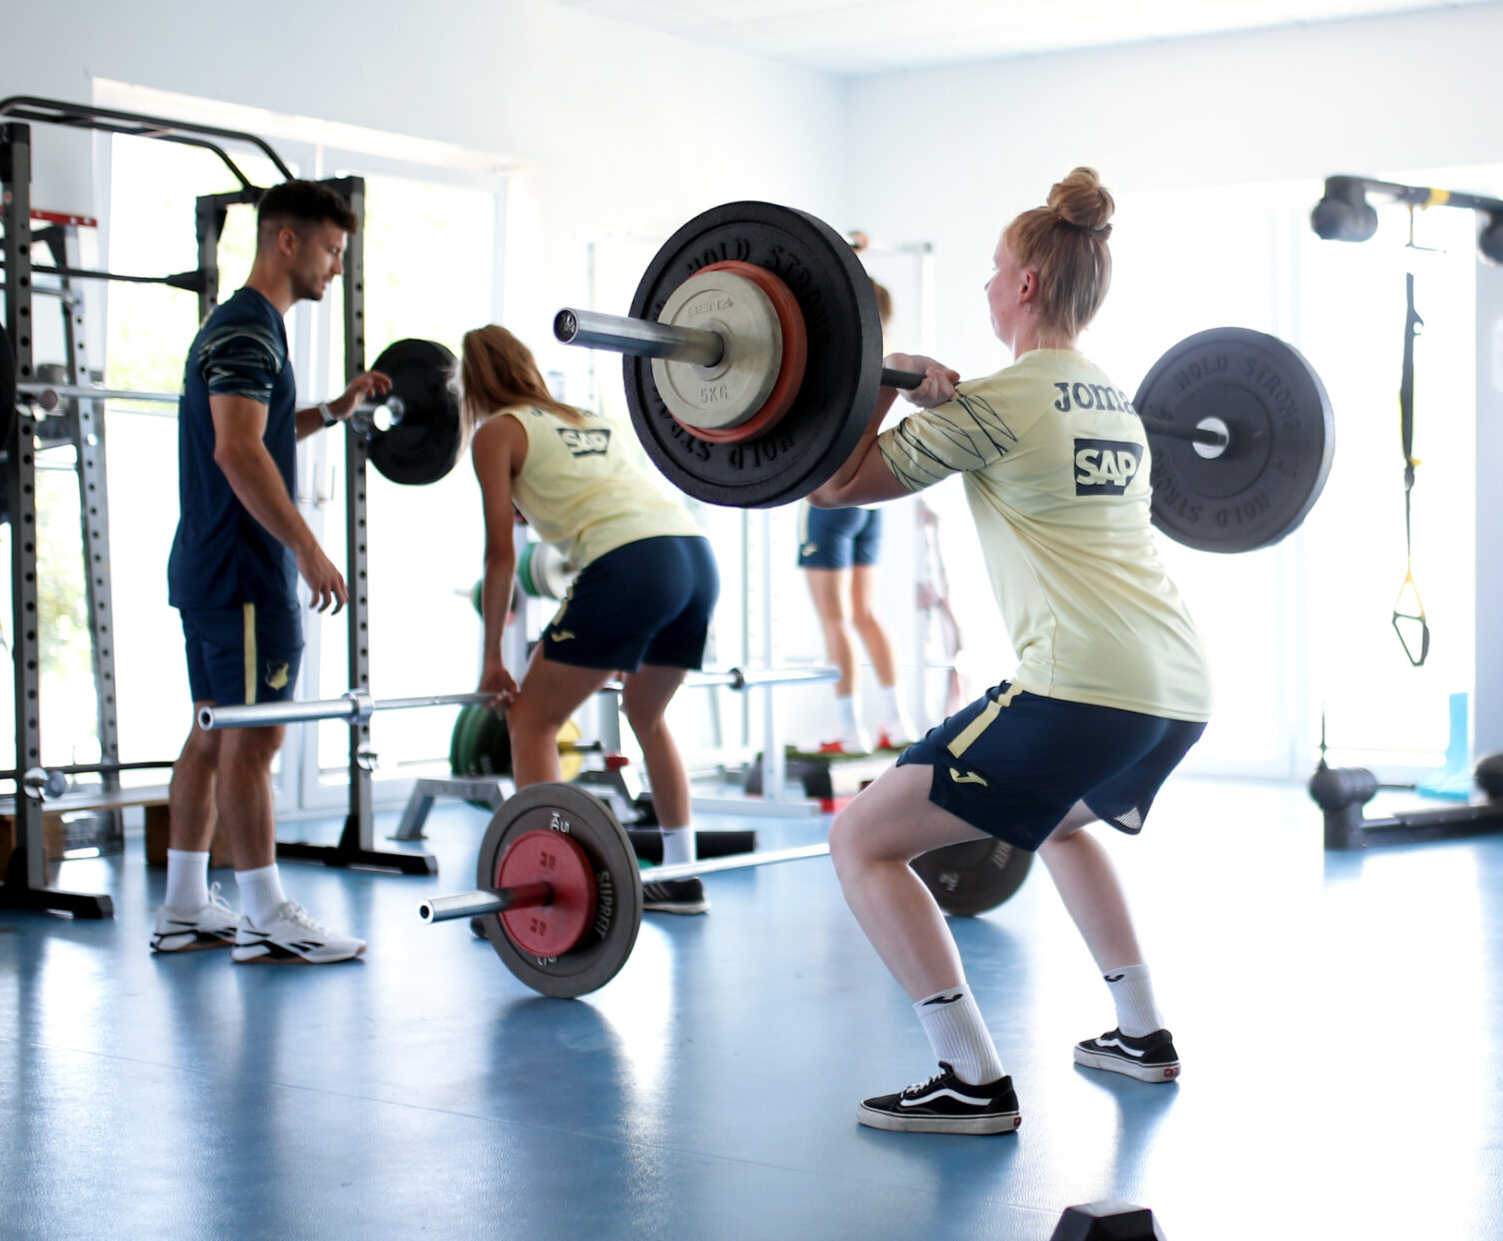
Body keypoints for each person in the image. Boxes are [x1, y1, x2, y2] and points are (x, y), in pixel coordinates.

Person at [809, 168, 1212, 1134]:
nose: (988, 286)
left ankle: (969, 1076)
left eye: (995, 271)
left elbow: (835, 486)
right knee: (1062, 822)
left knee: (860, 841)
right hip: (1179, 686)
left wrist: (888, 376)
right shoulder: (1111, 398)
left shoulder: (997, 401)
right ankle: (1142, 1033)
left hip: (1081, 686)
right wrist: (931, 396)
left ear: (1027, 284)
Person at [153, 180, 387, 963]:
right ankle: (264, 914)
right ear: (287, 241)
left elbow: (258, 427)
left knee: (212, 733)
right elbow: (237, 449)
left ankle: (186, 905)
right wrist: (306, 547)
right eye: (330, 251)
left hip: (208, 567)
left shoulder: (238, 329)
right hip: (247, 573)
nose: (335, 268)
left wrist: (334, 409)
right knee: (254, 742)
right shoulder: (253, 328)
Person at [462, 324, 721, 914]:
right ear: (526, 365)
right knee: (645, 713)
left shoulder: (496, 432)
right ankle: (682, 875)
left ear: (472, 385)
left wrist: (493, 659)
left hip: (629, 563)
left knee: (530, 721)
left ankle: (544, 886)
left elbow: (501, 557)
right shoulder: (590, 419)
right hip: (694, 555)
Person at [798, 280, 913, 755]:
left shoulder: (840, 357)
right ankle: (898, 720)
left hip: (832, 499)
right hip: (869, 501)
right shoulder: (879, 359)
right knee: (865, 613)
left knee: (835, 619)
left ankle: (850, 729)